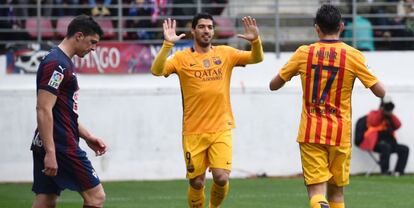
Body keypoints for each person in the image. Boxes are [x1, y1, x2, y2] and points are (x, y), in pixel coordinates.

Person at [269, 4, 385, 208]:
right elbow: (380, 91)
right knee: (337, 193)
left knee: (316, 190)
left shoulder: (304, 53)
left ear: (317, 28)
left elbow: (274, 85)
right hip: (340, 133)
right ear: (341, 26)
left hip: (311, 132)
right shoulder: (353, 55)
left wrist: (297, 72)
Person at [151, 13, 263, 208]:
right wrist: (167, 44)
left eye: (210, 27)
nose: (206, 30)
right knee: (197, 182)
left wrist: (256, 41)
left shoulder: (225, 53)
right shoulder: (181, 58)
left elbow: (256, 58)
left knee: (221, 177)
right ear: (193, 30)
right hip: (193, 131)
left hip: (221, 126)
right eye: (202, 27)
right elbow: (157, 70)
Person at [31, 15, 107, 208]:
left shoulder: (60, 61)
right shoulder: (57, 64)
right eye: (92, 42)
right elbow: (43, 108)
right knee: (96, 197)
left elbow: (62, 110)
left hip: (49, 141)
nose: (93, 48)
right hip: (61, 145)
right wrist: (51, 151)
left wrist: (88, 136)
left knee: (46, 200)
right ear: (79, 36)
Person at [360, 96, 409, 176]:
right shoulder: (374, 113)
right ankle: (385, 172)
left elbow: (398, 125)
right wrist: (381, 112)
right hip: (377, 143)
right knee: (385, 147)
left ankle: (398, 172)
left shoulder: (390, 117)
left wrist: (390, 114)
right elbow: (373, 122)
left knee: (404, 149)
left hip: (390, 142)